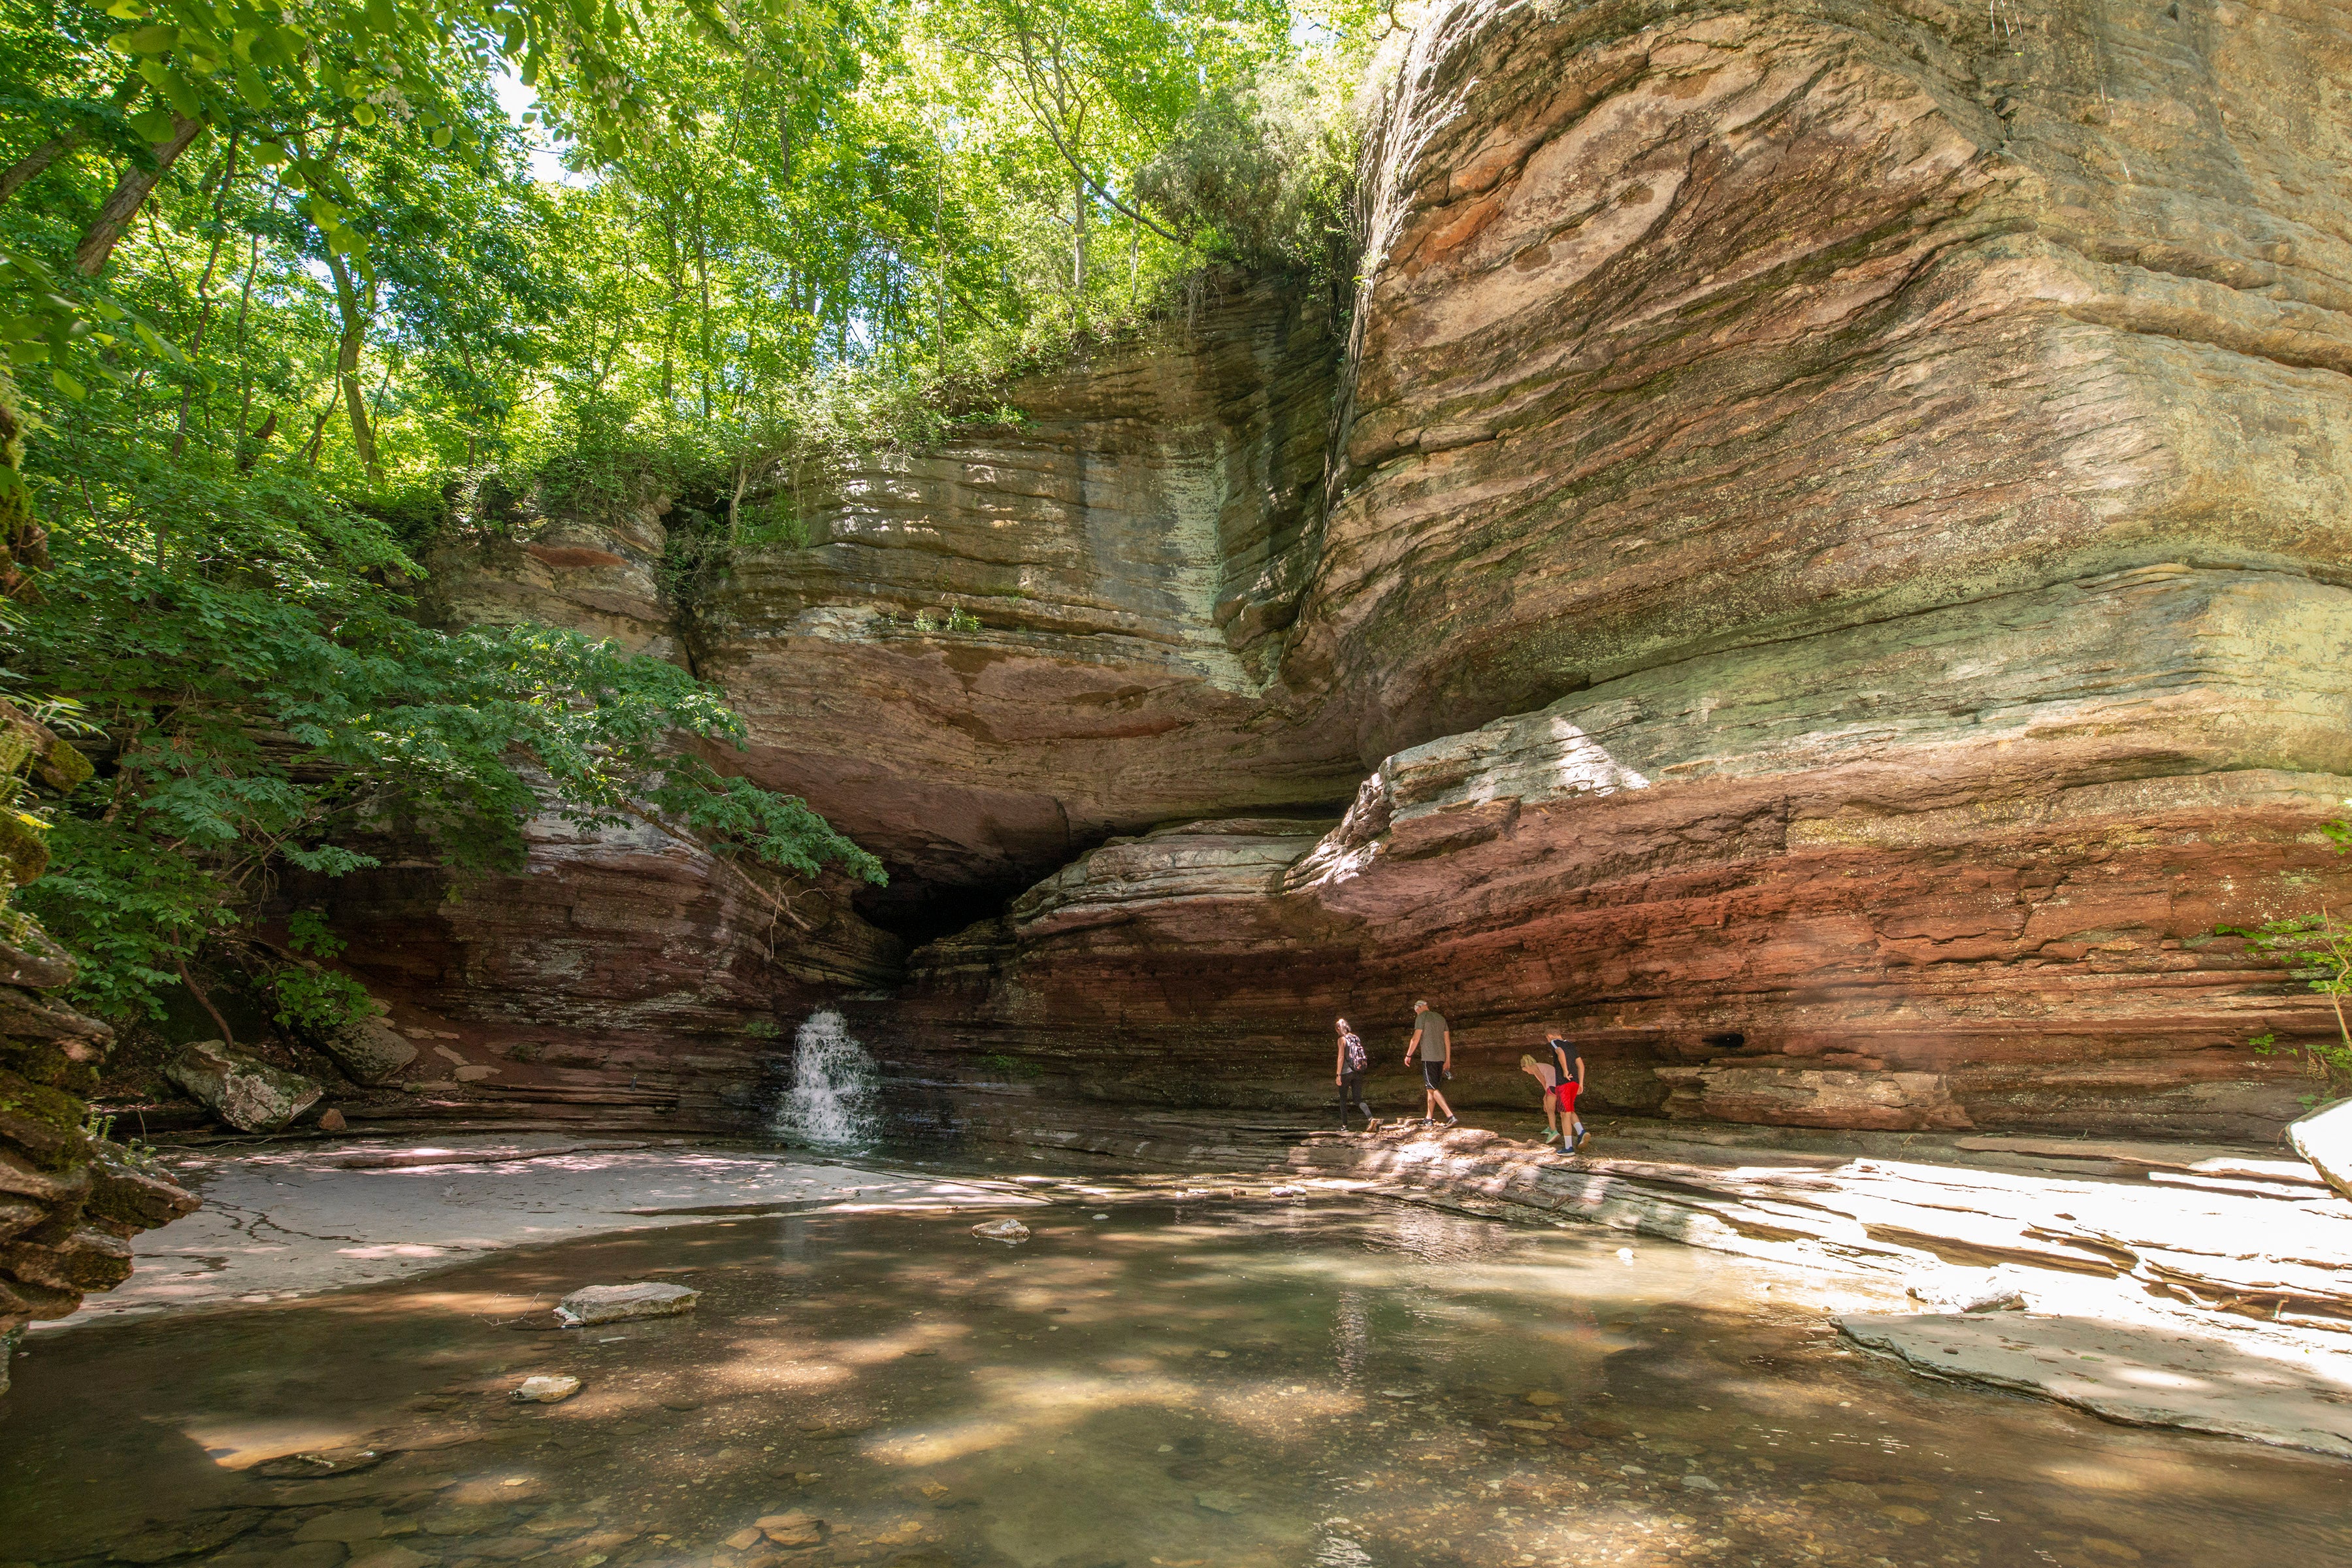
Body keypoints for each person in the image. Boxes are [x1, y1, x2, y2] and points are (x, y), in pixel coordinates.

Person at [1404, 1000, 1456, 1126]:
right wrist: (1447, 1060)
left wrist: (1408, 1055)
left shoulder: (1422, 1017)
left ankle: (1450, 1116)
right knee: (1431, 1088)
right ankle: (1428, 1118)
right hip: (1441, 1058)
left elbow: (1416, 1038)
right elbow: (1447, 1040)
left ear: (1420, 1007)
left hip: (1429, 1058)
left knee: (1432, 1088)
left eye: (1416, 1011)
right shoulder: (1440, 1018)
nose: (1417, 1014)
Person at [1542, 1034, 1587, 1151]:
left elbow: (1560, 1052)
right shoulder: (1571, 1045)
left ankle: (1569, 1148)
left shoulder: (1554, 1042)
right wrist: (1581, 1083)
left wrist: (1565, 1071)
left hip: (1564, 1083)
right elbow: (1581, 1065)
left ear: (1550, 1035)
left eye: (1547, 1038)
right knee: (1570, 1110)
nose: (1548, 1040)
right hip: (1575, 1083)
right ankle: (1581, 1132)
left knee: (1564, 1114)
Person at [1333, 1017, 1375, 1132]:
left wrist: (1338, 1075)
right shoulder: (1355, 1038)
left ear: (1338, 1028)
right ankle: (1371, 1119)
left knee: (1343, 1100)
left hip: (1346, 1072)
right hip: (1357, 1071)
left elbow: (1341, 1057)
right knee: (1358, 1100)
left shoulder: (1341, 1039)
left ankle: (1345, 1126)